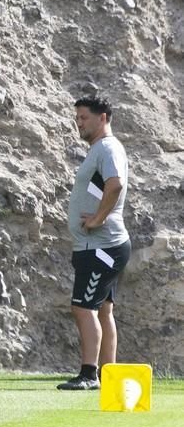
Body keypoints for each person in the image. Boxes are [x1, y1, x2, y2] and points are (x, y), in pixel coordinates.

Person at [57, 96, 131, 391]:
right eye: (77, 118)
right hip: (101, 246)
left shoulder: (108, 147)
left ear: (103, 118)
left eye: (84, 117)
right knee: (103, 311)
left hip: (100, 247)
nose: (79, 123)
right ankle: (108, 375)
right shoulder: (100, 149)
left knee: (83, 308)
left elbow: (115, 185)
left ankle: (89, 375)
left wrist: (99, 218)